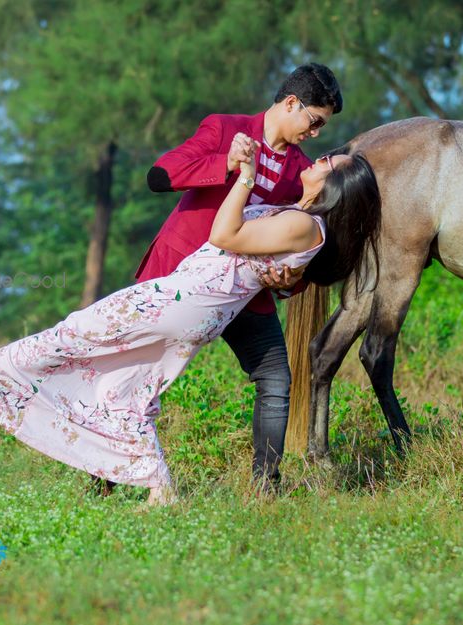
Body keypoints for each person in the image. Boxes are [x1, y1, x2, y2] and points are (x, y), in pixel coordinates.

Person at [0, 151, 381, 507]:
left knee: (73, 334)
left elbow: (224, 235)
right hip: (192, 302)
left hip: (184, 301)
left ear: (336, 186)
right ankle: (159, 486)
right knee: (129, 388)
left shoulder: (304, 225)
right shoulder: (298, 218)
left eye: (328, 162)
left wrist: (246, 178)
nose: (319, 157)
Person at [134, 63, 343, 493]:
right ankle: (105, 479)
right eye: (315, 121)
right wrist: (226, 162)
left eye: (321, 126)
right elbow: (159, 176)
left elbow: (298, 252)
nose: (315, 133)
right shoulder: (224, 129)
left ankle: (265, 488)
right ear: (291, 103)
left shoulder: (303, 173)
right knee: (137, 377)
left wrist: (288, 281)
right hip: (178, 276)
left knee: (276, 378)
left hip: (243, 292)